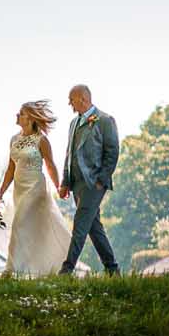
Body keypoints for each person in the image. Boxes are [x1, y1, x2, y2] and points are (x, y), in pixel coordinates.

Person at [0, 100, 73, 277]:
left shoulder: (41, 140)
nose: (17, 116)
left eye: (21, 113)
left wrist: (58, 186)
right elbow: (10, 169)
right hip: (19, 190)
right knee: (29, 229)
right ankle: (32, 270)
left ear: (31, 118)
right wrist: (0, 193)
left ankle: (11, 271)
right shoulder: (14, 139)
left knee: (19, 224)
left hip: (36, 188)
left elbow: (50, 165)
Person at [57, 84, 123, 275]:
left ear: (83, 99)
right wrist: (65, 182)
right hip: (77, 185)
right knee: (94, 228)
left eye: (72, 100)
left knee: (80, 224)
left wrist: (101, 180)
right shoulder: (73, 123)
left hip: (94, 183)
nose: (69, 103)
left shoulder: (105, 120)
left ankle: (66, 270)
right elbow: (68, 154)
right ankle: (113, 269)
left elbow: (112, 152)